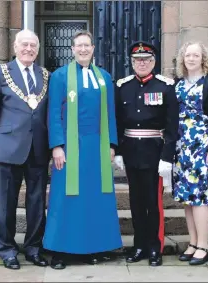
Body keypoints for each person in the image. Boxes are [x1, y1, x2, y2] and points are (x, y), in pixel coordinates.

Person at [43, 30, 122, 270]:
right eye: (79, 46)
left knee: (93, 198)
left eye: (87, 45)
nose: (83, 49)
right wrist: (56, 146)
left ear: (93, 49)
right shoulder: (59, 76)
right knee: (65, 197)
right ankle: (59, 250)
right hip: (70, 146)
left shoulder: (104, 77)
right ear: (73, 48)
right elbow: (54, 113)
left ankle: (90, 247)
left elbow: (110, 113)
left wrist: (111, 145)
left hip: (97, 147)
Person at [0, 29, 50, 270]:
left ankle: (33, 248)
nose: (29, 49)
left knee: (36, 203)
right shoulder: (0, 73)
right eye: (24, 44)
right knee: (6, 203)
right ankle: (7, 249)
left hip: (39, 149)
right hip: (9, 147)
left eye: (33, 45)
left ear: (38, 49)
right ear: (15, 47)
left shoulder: (45, 74)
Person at [114, 41, 179, 266]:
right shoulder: (122, 86)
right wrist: (119, 152)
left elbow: (172, 127)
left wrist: (167, 157)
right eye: (137, 60)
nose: (141, 63)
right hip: (132, 152)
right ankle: (139, 245)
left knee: (154, 202)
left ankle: (154, 247)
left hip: (155, 153)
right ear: (131, 63)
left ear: (154, 62)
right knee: (136, 202)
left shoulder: (166, 87)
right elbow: (118, 121)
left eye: (146, 59)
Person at [172, 41, 208, 265]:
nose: (191, 59)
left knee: (201, 197)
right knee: (187, 197)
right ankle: (192, 242)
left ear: (203, 57)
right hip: (182, 146)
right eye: (187, 55)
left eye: (195, 55)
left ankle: (204, 245)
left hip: (202, 146)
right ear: (182, 59)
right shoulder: (178, 82)